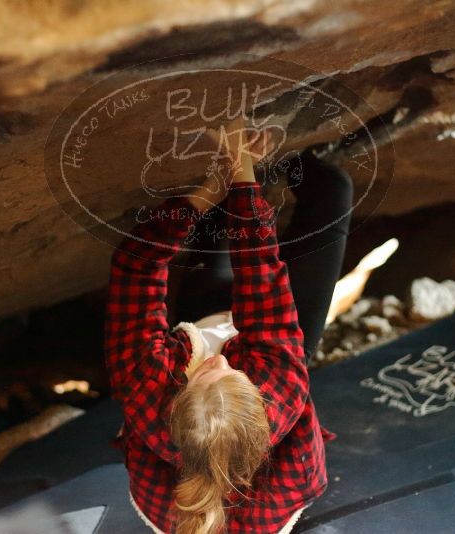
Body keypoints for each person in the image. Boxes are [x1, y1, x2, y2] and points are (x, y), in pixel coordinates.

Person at [104, 117, 353, 533]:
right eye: (233, 374)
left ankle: (254, 172)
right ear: (260, 404)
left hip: (200, 321)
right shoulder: (281, 391)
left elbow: (136, 264)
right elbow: (260, 273)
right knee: (333, 191)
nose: (221, 361)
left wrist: (218, 185)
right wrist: (242, 170)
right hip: (272, 347)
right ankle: (285, 158)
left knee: (220, 216)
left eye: (207, 373)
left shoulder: (147, 388)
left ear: (175, 401)